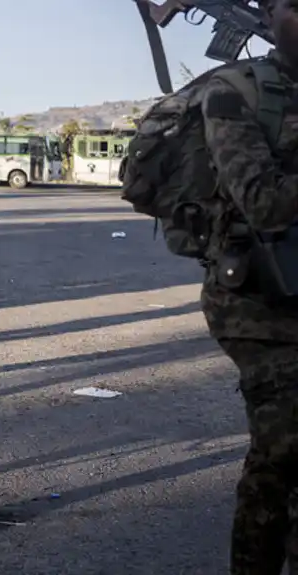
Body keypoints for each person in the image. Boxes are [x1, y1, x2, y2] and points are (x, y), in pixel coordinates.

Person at [202, 1, 298, 572]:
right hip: (259, 303)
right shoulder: (235, 91)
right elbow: (262, 200)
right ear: (269, 15)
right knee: (284, 448)